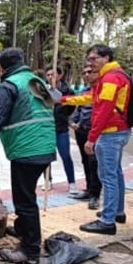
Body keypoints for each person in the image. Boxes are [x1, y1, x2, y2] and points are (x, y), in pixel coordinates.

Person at [0, 47, 56, 264]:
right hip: (45, 145)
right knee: (26, 194)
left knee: (24, 200)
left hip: (27, 148)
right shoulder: (35, 80)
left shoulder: (10, 85)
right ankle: (23, 229)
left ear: (1, 67)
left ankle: (30, 250)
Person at [62, 44, 131, 235]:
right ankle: (117, 211)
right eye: (89, 60)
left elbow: (104, 109)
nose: (90, 64)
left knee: (108, 176)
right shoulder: (114, 76)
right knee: (116, 173)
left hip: (111, 132)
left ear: (106, 57)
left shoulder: (111, 78)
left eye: (93, 59)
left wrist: (92, 138)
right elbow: (91, 98)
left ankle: (107, 221)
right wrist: (63, 100)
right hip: (119, 130)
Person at [69, 65, 101, 209]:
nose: (87, 75)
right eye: (85, 72)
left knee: (94, 163)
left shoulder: (103, 91)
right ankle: (89, 189)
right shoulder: (84, 92)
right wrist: (72, 122)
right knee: (85, 162)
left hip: (95, 132)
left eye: (90, 72)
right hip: (81, 131)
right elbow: (78, 109)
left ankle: (95, 194)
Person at [46, 66, 77, 194]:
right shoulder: (43, 91)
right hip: (47, 129)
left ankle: (72, 183)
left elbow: (72, 107)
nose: (49, 77)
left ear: (59, 75)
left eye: (52, 75)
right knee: (46, 157)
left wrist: (65, 118)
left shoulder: (67, 91)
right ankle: (48, 180)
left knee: (65, 155)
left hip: (61, 129)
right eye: (47, 75)